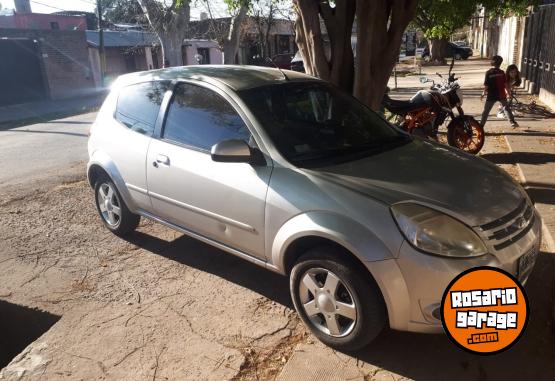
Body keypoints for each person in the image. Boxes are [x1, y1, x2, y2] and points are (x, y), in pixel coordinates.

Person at [480, 55, 518, 128]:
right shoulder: (502, 73)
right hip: (501, 95)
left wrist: (483, 93)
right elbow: (505, 84)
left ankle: (481, 126)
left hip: (491, 95)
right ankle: (513, 122)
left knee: (486, 112)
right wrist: (509, 93)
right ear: (500, 63)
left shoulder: (488, 73)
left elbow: (486, 85)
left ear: (493, 62)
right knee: (506, 108)